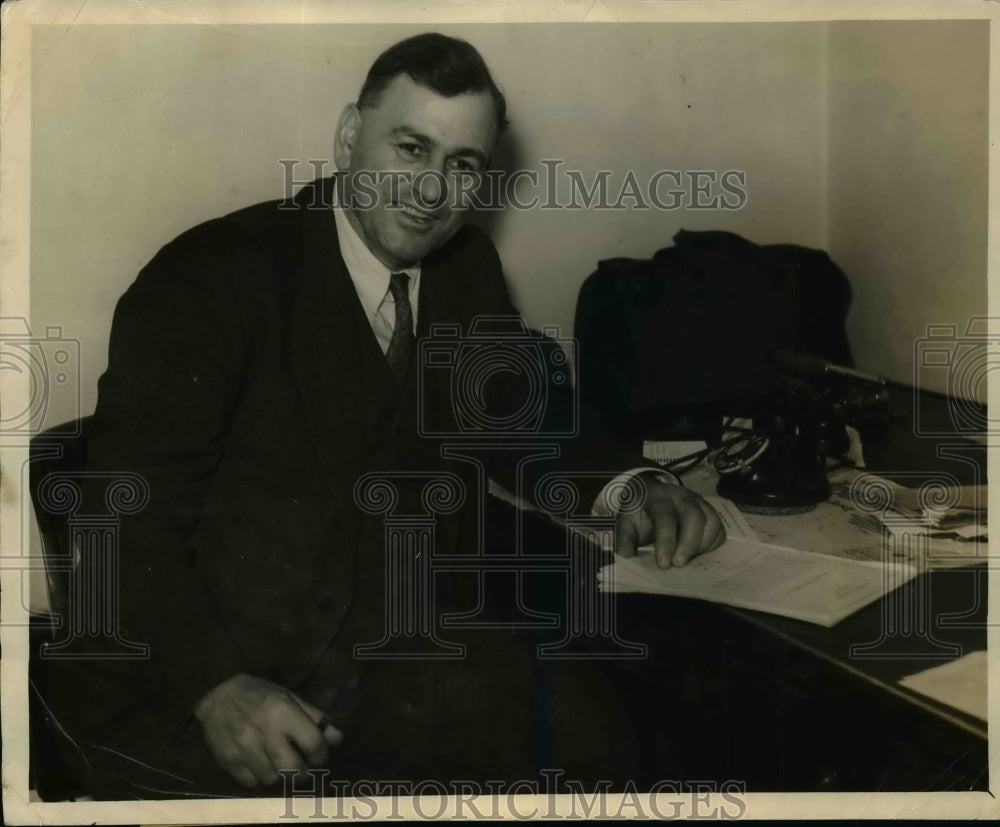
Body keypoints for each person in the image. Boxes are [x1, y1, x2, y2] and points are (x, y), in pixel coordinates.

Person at [42, 32, 724, 799]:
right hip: (217, 677)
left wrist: (634, 485)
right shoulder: (209, 278)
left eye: (461, 165)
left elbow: (519, 419)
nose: (433, 190)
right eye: (411, 148)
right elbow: (122, 514)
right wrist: (214, 686)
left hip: (395, 660)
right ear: (346, 138)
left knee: (603, 739)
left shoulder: (466, 269)